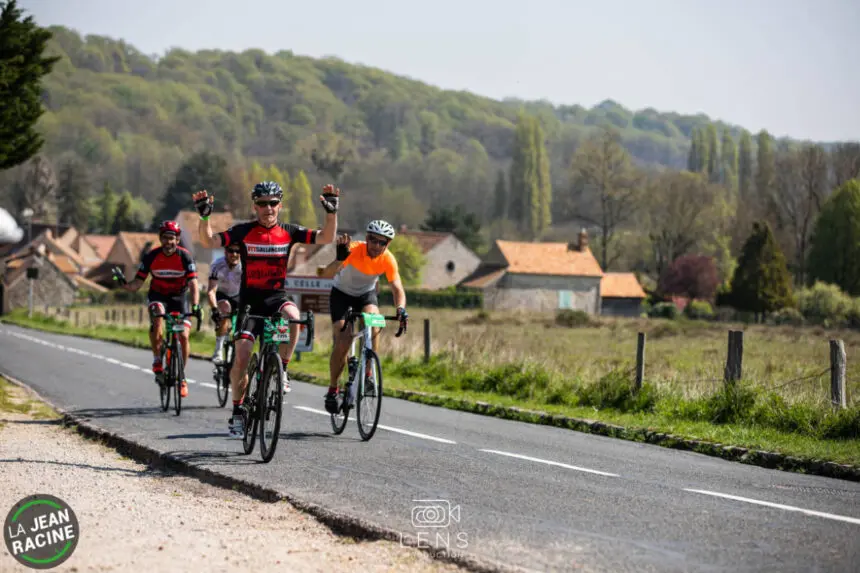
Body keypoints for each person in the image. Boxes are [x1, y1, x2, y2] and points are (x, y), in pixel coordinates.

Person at [192, 181, 339, 438]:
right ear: (255, 206)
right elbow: (208, 241)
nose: (268, 208)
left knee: (294, 317)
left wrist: (331, 213)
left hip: (276, 299)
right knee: (242, 357)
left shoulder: (289, 231)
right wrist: (204, 217)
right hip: (249, 303)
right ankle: (238, 411)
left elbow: (326, 237)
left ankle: (283, 368)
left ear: (280, 206)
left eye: (273, 203)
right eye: (262, 204)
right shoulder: (244, 231)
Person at [318, 220, 408, 414]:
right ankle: (333, 389)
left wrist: (400, 308)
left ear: (387, 244)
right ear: (367, 238)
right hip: (341, 294)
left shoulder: (388, 259)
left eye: (382, 242)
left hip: (365, 295)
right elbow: (325, 274)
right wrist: (339, 259)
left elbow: (397, 288)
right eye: (373, 240)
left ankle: (368, 374)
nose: (376, 245)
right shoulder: (353, 249)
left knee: (374, 322)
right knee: (343, 340)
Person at [113, 220, 201, 398]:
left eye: (172, 238)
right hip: (158, 296)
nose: (169, 242)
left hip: (179, 299)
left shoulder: (185, 257)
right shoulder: (151, 256)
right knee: (157, 316)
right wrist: (123, 283)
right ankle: (157, 360)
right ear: (160, 239)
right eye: (165, 238)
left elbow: (193, 284)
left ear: (177, 240)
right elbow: (137, 284)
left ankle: (181, 377)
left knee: (184, 336)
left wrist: (196, 305)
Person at [206, 244, 242, 363]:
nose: (234, 254)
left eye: (238, 251)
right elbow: (211, 291)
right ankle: (218, 351)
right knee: (225, 308)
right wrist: (214, 309)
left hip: (238, 295)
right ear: (225, 252)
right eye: (231, 251)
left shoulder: (245, 265)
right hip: (221, 294)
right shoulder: (217, 265)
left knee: (241, 323)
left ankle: (235, 349)